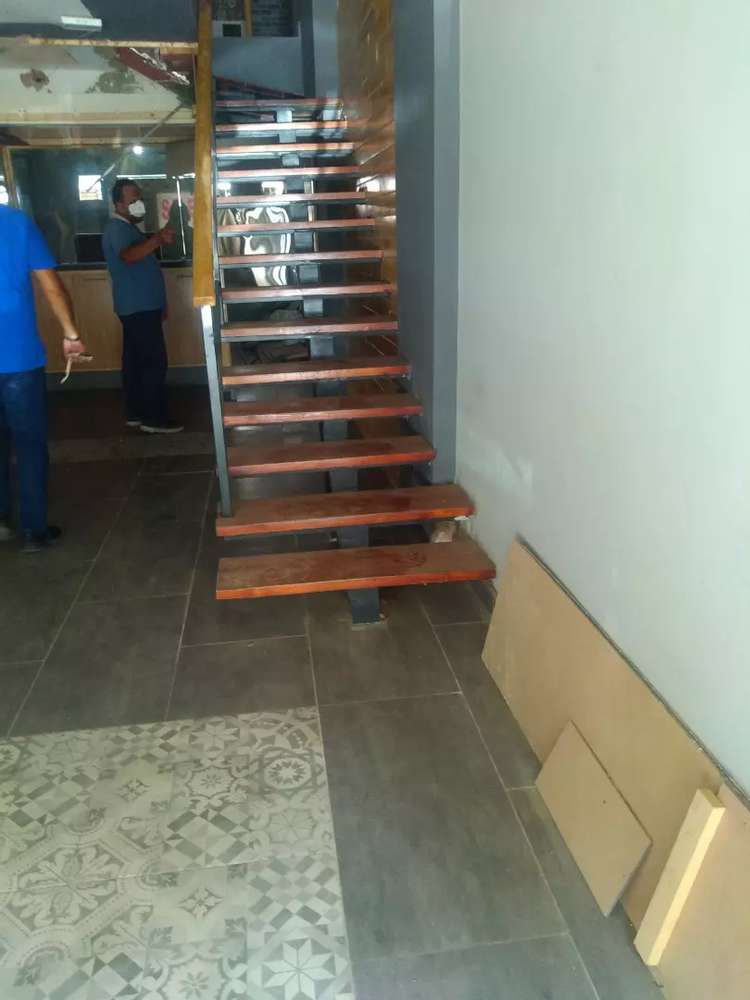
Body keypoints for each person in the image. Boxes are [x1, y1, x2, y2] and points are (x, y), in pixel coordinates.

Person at [0, 203, 87, 552]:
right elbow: (52, 287)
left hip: (19, 359)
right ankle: (33, 531)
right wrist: (71, 334)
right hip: (18, 358)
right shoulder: (16, 223)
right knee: (29, 445)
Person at [102, 179, 183, 434]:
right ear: (118, 204)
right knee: (153, 362)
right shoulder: (117, 228)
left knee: (135, 362)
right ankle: (154, 418)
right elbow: (128, 256)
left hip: (141, 306)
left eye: (140, 199)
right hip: (138, 307)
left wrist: (161, 303)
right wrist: (156, 240)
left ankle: (136, 412)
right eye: (133, 199)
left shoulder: (128, 228)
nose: (138, 204)